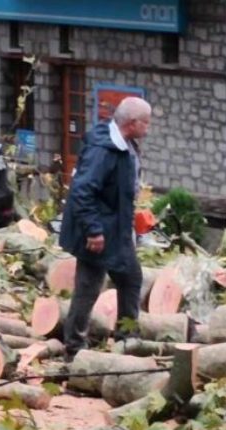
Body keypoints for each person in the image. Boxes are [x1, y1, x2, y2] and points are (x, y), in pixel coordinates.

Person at [58, 97, 152, 360]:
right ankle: (74, 348)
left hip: (116, 230)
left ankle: (125, 340)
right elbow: (82, 192)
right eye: (146, 122)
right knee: (88, 287)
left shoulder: (125, 144)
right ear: (132, 124)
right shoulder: (104, 150)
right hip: (97, 234)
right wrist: (93, 231)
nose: (149, 128)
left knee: (131, 278)